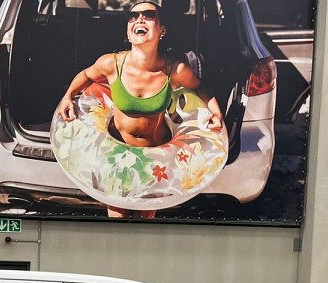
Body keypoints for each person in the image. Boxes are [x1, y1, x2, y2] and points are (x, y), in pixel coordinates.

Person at [56, 1, 224, 218]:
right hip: (115, 156)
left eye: (149, 15)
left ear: (162, 31)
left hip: (155, 158)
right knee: (117, 219)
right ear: (128, 32)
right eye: (133, 16)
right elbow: (86, 75)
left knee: (145, 222)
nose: (139, 19)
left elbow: (200, 86)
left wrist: (216, 112)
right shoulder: (111, 64)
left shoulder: (175, 70)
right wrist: (67, 97)